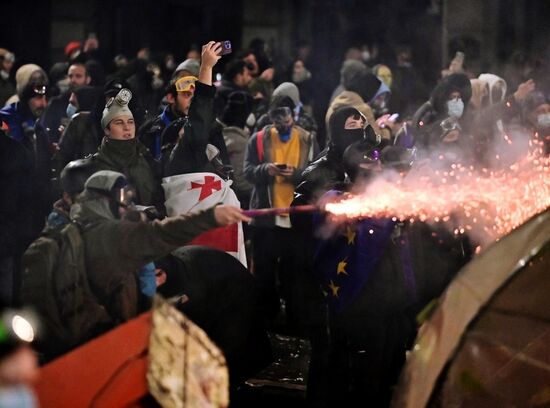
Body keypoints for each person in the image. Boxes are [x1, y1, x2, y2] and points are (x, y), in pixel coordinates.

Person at [70, 170, 250, 323]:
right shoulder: (108, 233)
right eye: (120, 198)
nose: (125, 205)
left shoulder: (85, 228)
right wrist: (210, 217)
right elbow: (164, 233)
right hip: (99, 330)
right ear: (101, 201)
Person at [243, 104, 318, 326]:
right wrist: (266, 170)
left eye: (287, 123)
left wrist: (296, 175)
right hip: (266, 220)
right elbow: (246, 171)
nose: (283, 127)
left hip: (295, 220)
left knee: (293, 275)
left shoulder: (307, 139)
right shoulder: (258, 139)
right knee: (264, 273)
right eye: (279, 124)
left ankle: (295, 320)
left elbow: (316, 174)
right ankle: (267, 319)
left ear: (293, 117)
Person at [92, 87, 164, 211]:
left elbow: (160, 196)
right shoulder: (96, 165)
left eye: (130, 122)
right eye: (119, 123)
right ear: (107, 130)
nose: (127, 127)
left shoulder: (146, 158)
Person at [164, 41, 227, 177]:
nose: (192, 98)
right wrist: (206, 68)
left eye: (195, 89)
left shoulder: (214, 129)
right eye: (186, 93)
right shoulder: (156, 129)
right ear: (171, 96)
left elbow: (226, 171)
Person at [40, 62, 91, 143]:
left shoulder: (94, 103)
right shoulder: (56, 103)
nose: (73, 80)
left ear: (88, 79)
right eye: (70, 76)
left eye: (78, 76)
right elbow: (44, 130)